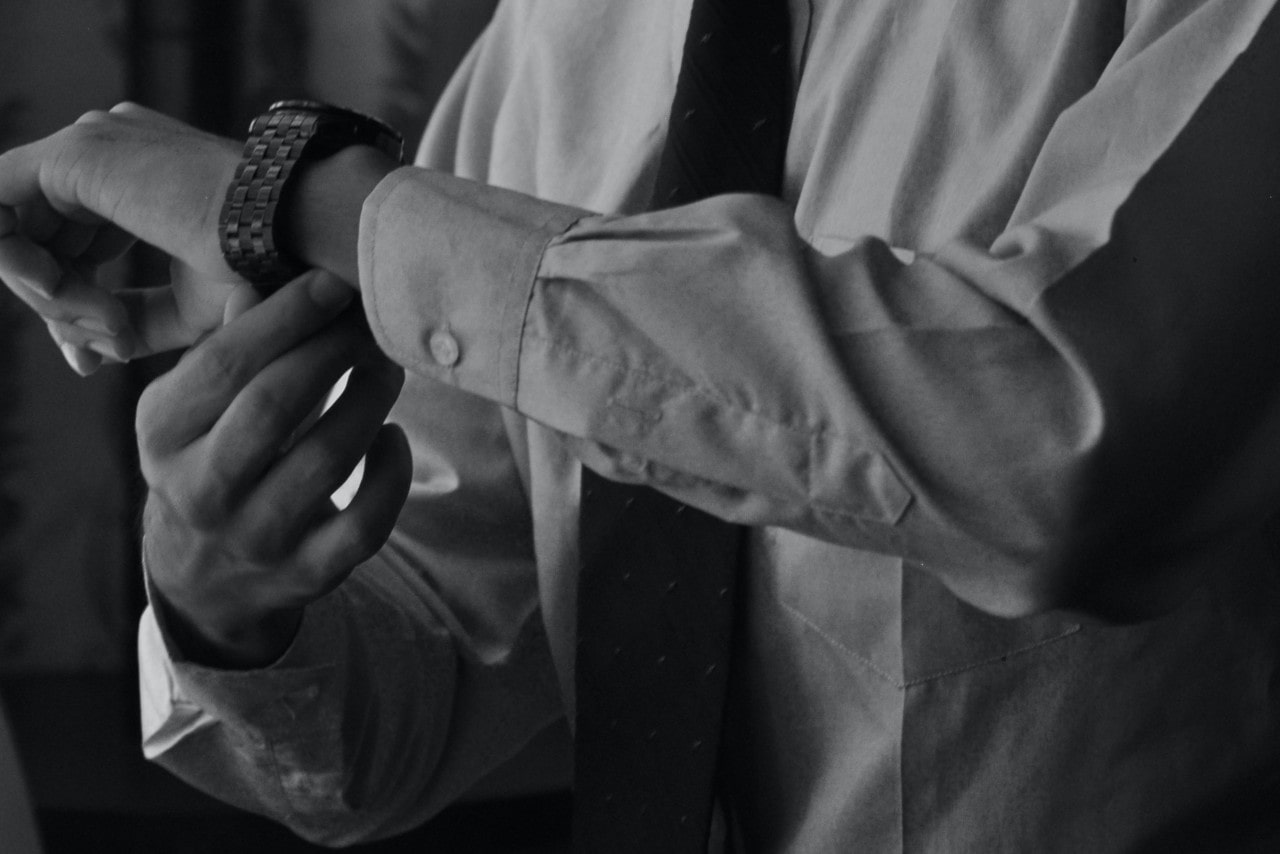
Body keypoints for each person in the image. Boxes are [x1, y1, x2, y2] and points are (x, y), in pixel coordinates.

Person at [2, 0, 1280, 849]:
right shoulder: (561, 32)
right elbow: (421, 669)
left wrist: (308, 200)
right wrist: (225, 602)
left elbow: (1063, 446)